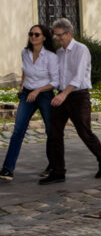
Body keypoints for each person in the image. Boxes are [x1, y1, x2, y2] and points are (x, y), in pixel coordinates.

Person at [40, 18, 101, 185]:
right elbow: (56, 77)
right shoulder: (58, 53)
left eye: (60, 35)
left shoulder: (81, 50)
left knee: (84, 132)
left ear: (69, 33)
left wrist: (63, 94)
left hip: (78, 96)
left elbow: (79, 77)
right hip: (62, 95)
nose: (57, 38)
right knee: (54, 132)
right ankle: (58, 172)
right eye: (55, 35)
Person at [0, 24, 58, 182]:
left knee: (50, 130)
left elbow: (55, 81)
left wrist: (37, 91)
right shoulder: (24, 53)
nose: (33, 37)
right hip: (27, 95)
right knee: (18, 131)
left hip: (45, 94)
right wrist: (22, 86)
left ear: (44, 37)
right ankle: (7, 169)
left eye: (36, 34)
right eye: (31, 34)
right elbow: (25, 70)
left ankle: (53, 165)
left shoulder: (51, 57)